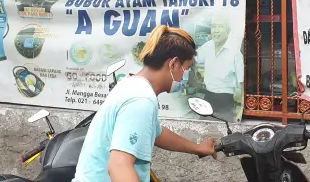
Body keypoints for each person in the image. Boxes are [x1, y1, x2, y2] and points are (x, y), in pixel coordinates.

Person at [72, 26, 217, 182]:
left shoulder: (132, 85)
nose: (185, 77)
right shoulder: (141, 100)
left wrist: (196, 147)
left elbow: (156, 133)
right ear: (174, 64)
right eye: (187, 69)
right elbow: (119, 167)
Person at [195, 18, 244, 120]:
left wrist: (241, 111)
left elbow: (242, 83)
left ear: (228, 30)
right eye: (213, 26)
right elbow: (193, 59)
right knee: (203, 128)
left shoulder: (235, 53)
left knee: (223, 131)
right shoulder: (208, 46)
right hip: (208, 96)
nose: (216, 30)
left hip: (225, 99)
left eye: (220, 26)